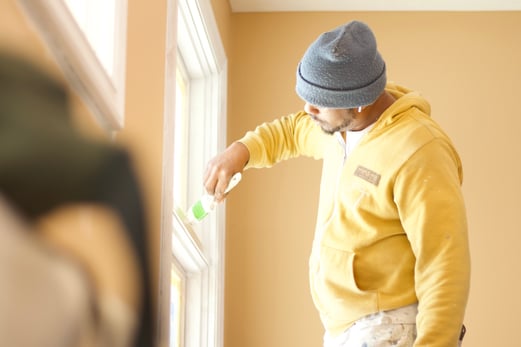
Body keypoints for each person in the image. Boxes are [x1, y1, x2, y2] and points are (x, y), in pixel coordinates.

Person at [203, 20, 470, 346]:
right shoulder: (337, 127)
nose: (308, 108)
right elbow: (289, 131)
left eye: (319, 101)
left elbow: (444, 262)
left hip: (392, 326)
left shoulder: (418, 149)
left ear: (359, 101)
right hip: (344, 328)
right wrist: (239, 152)